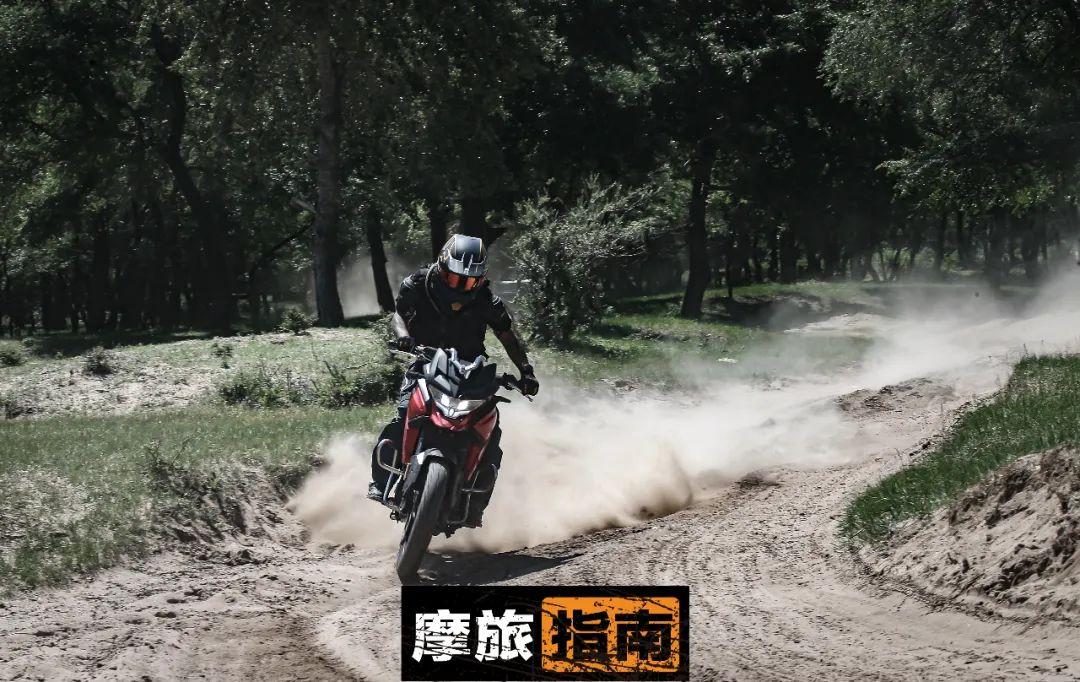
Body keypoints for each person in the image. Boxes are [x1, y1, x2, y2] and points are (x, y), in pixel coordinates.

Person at [368, 235, 539, 527]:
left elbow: (506, 335)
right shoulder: (418, 284)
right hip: (424, 363)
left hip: (470, 370)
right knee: (403, 414)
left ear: (480, 280)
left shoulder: (486, 299)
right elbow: (399, 315)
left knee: (491, 431)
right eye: (455, 278)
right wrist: (404, 337)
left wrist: (526, 370)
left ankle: (474, 504)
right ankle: (382, 482)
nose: (461, 287)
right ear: (441, 267)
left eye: (469, 282)